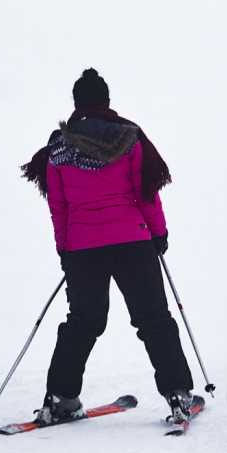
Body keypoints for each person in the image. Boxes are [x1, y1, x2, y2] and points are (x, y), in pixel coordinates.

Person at [21, 68, 198, 425]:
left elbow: (59, 207)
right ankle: (178, 393)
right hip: (133, 242)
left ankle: (61, 398)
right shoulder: (130, 140)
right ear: (106, 101)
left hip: (83, 248)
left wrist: (65, 248)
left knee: (83, 322)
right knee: (153, 319)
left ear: (76, 103)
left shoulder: (58, 147)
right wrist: (159, 234)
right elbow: (146, 193)